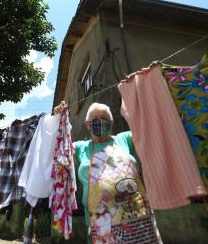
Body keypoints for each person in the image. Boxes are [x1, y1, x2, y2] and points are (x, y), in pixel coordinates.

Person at [55, 102, 161, 244]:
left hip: (138, 218)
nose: (100, 121)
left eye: (104, 117)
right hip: (99, 224)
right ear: (87, 124)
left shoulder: (125, 138)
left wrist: (137, 88)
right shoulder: (81, 147)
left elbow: (149, 128)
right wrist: (58, 121)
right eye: (95, 119)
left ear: (111, 122)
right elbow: (58, 151)